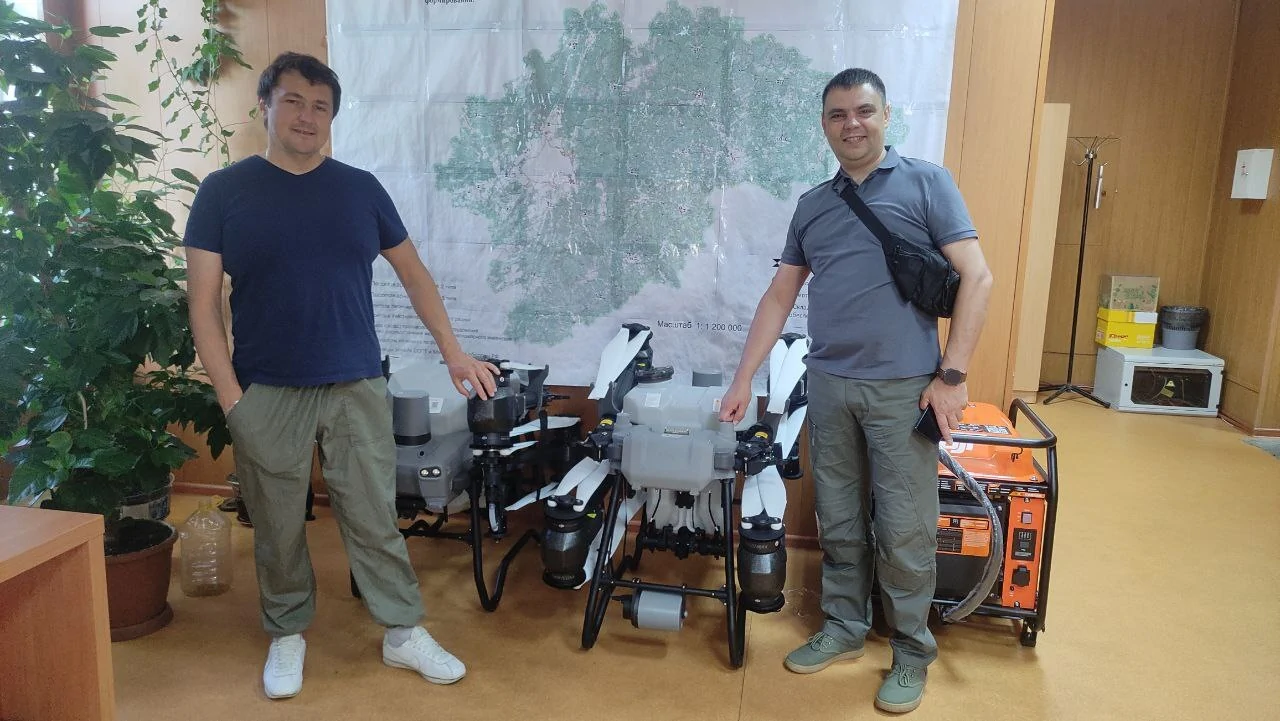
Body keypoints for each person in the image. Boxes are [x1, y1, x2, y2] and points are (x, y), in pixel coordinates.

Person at [185, 52, 499, 700]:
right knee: (276, 522)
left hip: (355, 382)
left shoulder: (361, 189)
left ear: (332, 117)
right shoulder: (223, 192)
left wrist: (454, 353)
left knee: (373, 514)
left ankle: (402, 630)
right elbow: (203, 305)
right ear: (265, 106)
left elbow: (414, 274)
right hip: (266, 388)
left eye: (321, 106)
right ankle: (287, 630)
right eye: (294, 101)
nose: (307, 116)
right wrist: (231, 398)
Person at [719, 68, 992, 714]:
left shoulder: (927, 183)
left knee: (905, 527)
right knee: (838, 517)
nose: (852, 124)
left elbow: (977, 278)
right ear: (824, 125)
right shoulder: (813, 205)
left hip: (906, 391)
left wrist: (952, 376)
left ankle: (911, 651)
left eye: (864, 111)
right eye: (838, 114)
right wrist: (743, 377)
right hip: (830, 385)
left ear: (886, 116)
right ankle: (844, 625)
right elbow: (780, 295)